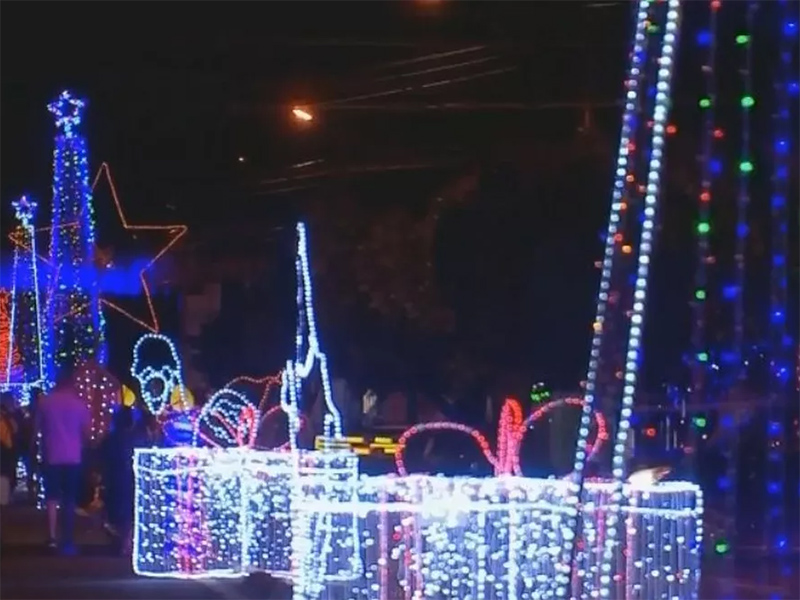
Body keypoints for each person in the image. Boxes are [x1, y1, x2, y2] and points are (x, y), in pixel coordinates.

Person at [35, 368, 90, 554]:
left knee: (51, 497)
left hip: (52, 454)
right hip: (73, 456)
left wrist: (35, 447)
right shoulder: (79, 404)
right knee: (69, 498)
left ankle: (51, 536)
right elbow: (86, 432)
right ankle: (67, 539)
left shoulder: (46, 403)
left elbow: (37, 428)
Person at [100, 406, 138, 555]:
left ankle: (124, 541)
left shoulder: (111, 439)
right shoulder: (136, 439)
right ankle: (126, 541)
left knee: (118, 512)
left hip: (114, 479)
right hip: (129, 478)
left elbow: (103, 458)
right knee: (128, 511)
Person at [0, 393, 19, 505]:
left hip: (6, 449)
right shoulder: (9, 416)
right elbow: (15, 430)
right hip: (6, 449)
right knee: (5, 475)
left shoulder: (8, 416)